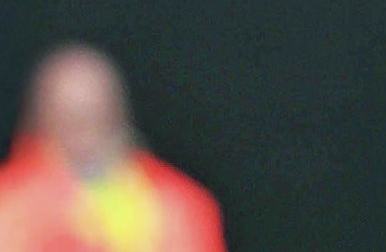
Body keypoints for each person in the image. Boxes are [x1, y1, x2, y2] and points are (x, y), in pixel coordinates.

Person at [0, 43, 227, 252]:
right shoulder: (8, 203)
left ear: (118, 114)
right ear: (40, 119)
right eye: (69, 119)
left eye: (94, 116)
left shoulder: (180, 206)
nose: (83, 136)